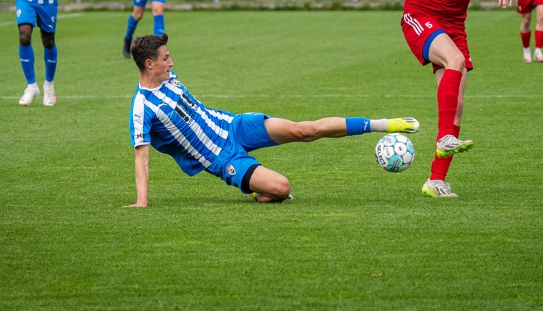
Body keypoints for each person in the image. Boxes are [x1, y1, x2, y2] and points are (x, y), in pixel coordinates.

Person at [125, 34, 420, 206]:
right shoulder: (142, 108)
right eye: (165, 58)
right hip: (222, 158)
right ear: (149, 64)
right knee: (281, 188)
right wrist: (142, 201)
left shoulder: (169, 78)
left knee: (305, 130)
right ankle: (262, 192)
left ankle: (383, 124)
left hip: (234, 125)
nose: (172, 62)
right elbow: (141, 157)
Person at [382, 0, 524, 199]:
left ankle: (436, 181)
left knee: (456, 108)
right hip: (420, 15)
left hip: (454, 27)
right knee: (455, 60)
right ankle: (445, 137)